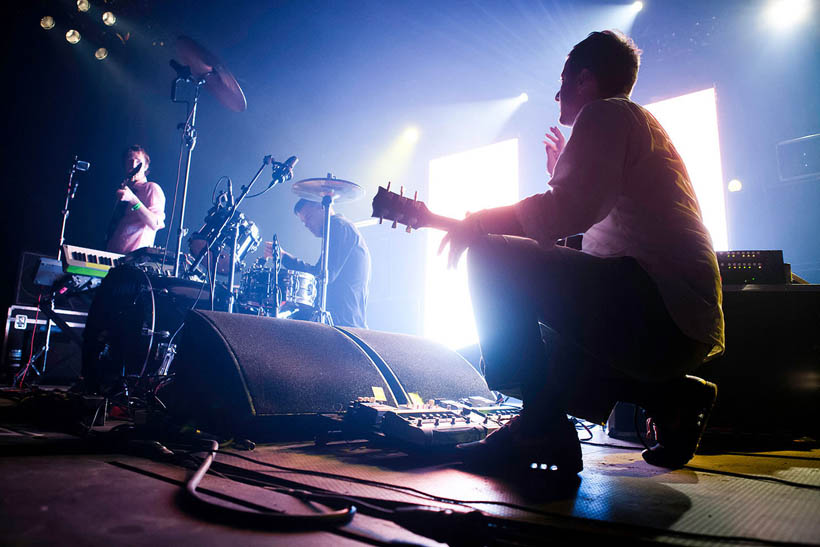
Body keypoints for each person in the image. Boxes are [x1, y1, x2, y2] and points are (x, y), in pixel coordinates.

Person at [439, 31, 724, 476]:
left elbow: (568, 210)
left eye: (562, 81)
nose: (556, 94)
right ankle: (673, 399)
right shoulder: (638, 123)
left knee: (490, 255)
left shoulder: (605, 114)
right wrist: (564, 173)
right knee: (554, 327)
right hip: (681, 321)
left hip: (658, 313)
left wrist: (480, 221)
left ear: (584, 80)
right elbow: (583, 234)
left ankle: (540, 427)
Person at [268, 199, 371, 328]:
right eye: (304, 222)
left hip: (342, 321)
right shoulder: (340, 227)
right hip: (341, 319)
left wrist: (284, 258)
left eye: (309, 218)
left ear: (323, 207)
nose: (307, 225)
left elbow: (323, 275)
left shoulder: (339, 226)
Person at [106, 145, 166, 254]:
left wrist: (133, 200)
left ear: (146, 166)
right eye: (130, 161)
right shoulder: (125, 189)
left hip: (133, 261)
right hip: (111, 257)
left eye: (138, 162)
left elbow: (155, 224)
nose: (133, 165)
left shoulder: (151, 188)